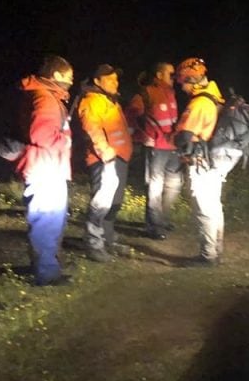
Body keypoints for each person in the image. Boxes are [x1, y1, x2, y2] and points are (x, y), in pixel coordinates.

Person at [174, 57, 242, 267]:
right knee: (213, 206)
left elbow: (184, 136)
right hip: (216, 162)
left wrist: (172, 137)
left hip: (201, 163)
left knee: (204, 208)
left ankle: (207, 256)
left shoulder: (199, 103)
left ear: (192, 79)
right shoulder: (215, 97)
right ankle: (215, 250)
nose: (181, 86)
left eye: (182, 82)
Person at [15, 55, 75, 286]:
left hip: (47, 165)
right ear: (56, 75)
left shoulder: (46, 96)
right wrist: (65, 141)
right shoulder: (46, 98)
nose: (71, 80)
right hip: (45, 167)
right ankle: (47, 274)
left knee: (49, 221)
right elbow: (40, 134)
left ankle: (46, 267)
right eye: (68, 76)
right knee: (47, 221)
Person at [77, 64, 134, 262]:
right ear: (97, 81)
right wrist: (105, 152)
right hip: (103, 159)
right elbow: (91, 128)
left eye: (116, 79)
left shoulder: (109, 100)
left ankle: (107, 239)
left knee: (113, 202)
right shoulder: (92, 100)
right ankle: (94, 244)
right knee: (100, 202)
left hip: (118, 157)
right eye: (109, 79)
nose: (115, 82)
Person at [125, 62, 182, 240]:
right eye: (170, 74)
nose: (174, 77)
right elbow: (130, 115)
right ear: (159, 75)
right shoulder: (147, 93)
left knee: (175, 184)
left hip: (172, 146)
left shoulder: (171, 93)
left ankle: (162, 219)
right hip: (156, 147)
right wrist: (141, 136)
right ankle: (153, 225)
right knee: (155, 186)